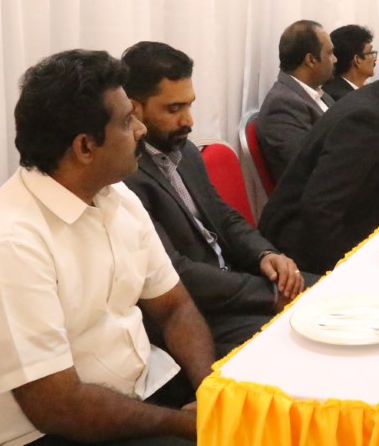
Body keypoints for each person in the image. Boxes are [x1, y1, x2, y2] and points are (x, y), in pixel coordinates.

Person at [0, 50, 214, 446]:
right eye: (127, 121)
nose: (141, 130)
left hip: (141, 389)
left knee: (262, 399)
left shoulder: (117, 197)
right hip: (44, 433)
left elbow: (174, 307)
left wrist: (210, 393)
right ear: (84, 147)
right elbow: (57, 407)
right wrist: (186, 425)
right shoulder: (6, 245)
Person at [121, 42, 312, 359]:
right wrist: (267, 293)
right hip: (198, 314)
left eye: (189, 105)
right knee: (304, 339)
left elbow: (223, 217)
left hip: (238, 285)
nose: (188, 120)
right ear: (134, 108)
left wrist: (265, 253)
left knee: (333, 291)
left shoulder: (185, 151)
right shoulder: (126, 177)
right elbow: (177, 271)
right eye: (174, 109)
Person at [258, 46, 379, 274]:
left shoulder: (376, 100)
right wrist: (355, 269)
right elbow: (321, 209)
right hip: (300, 245)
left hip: (343, 223)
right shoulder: (365, 119)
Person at [255, 20, 337, 181]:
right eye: (329, 53)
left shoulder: (319, 94)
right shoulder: (282, 105)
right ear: (311, 60)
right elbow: (310, 166)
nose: (335, 60)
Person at [324, 24, 376, 101]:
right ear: (357, 60)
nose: (375, 58)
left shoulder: (333, 88)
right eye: (370, 53)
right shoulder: (346, 99)